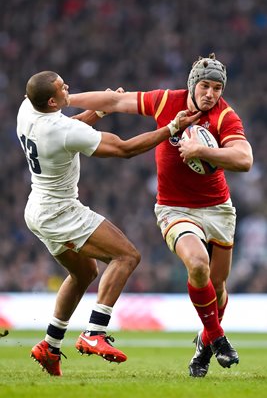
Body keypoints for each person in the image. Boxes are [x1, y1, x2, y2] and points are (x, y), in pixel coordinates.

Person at [69, 53, 253, 377]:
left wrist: (202, 151)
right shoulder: (167, 100)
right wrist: (66, 98)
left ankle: (204, 342)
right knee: (198, 265)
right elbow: (115, 100)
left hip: (218, 210)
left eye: (217, 88)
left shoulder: (226, 116)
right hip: (174, 208)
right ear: (193, 84)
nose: (210, 93)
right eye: (205, 86)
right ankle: (218, 337)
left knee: (219, 286)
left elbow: (244, 158)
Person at [16, 71, 201, 377]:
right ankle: (95, 332)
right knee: (127, 256)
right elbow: (124, 149)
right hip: (60, 211)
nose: (68, 88)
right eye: (63, 88)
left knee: (84, 272)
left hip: (36, 208)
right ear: (51, 101)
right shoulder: (59, 128)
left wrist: (98, 111)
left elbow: (68, 127)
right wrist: (171, 127)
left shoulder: (28, 109)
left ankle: (50, 345)